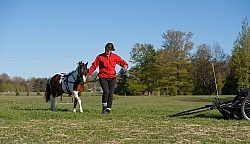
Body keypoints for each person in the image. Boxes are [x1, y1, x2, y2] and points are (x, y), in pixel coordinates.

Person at [87, 43, 128, 114]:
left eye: (109, 50)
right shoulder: (100, 57)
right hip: (103, 77)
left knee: (111, 94)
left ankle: (108, 109)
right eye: (106, 49)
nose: (107, 51)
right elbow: (94, 66)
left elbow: (121, 62)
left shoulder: (115, 57)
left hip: (112, 77)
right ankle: (104, 107)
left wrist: (125, 65)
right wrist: (88, 74)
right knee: (106, 92)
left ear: (112, 50)